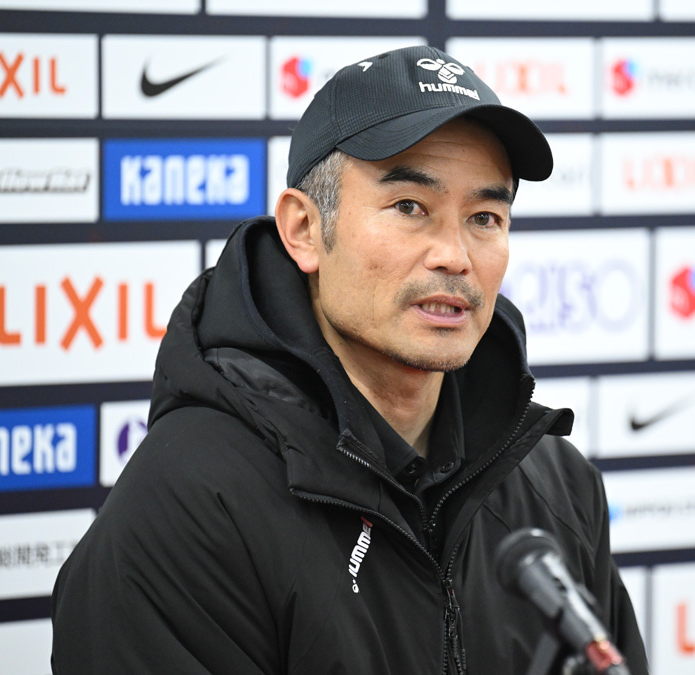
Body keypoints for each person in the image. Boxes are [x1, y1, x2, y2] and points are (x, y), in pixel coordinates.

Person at [51, 44, 648, 675]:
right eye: (410, 207)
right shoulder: (188, 509)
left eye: (484, 217)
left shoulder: (557, 488)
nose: (454, 255)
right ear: (304, 230)